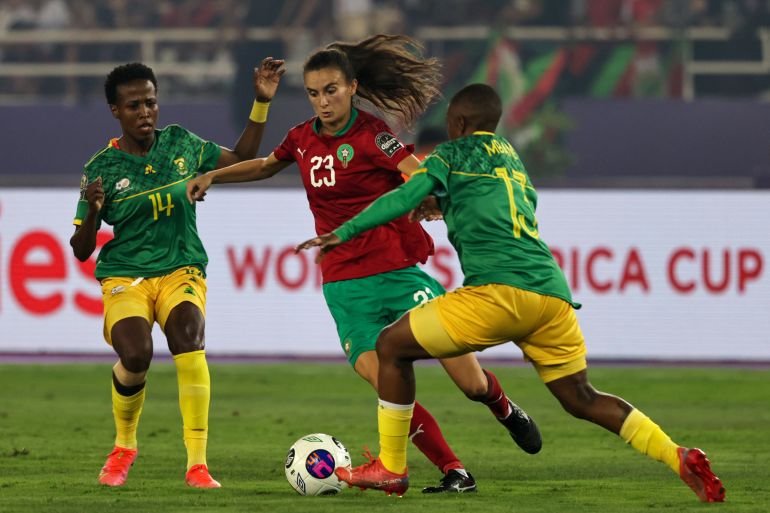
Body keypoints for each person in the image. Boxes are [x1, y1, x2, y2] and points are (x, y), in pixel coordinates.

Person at [296, 83, 726, 502]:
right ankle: (678, 455)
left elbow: (403, 196)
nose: (447, 130)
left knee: (391, 346)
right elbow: (481, 204)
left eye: (449, 122)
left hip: (498, 293)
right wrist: (444, 205)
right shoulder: (511, 158)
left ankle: (391, 468)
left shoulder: (451, 153)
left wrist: (345, 232)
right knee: (582, 398)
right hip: (552, 298)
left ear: (460, 121)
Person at [186, 35, 542, 493]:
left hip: (397, 273)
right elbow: (264, 165)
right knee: (389, 388)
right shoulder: (300, 138)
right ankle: (455, 470)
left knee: (470, 382)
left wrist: (430, 196)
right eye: (314, 93)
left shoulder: (372, 134)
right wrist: (214, 174)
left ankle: (504, 408)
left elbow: (414, 170)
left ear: (352, 86)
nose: (322, 101)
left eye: (331, 90)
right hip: (344, 286)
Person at [70, 59, 285, 488]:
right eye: (134, 105)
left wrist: (261, 103)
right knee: (135, 356)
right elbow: (80, 250)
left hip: (180, 268)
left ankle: (198, 465)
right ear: (116, 110)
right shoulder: (101, 170)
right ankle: (125, 445)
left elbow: (243, 157)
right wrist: (93, 215)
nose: (145, 112)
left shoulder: (181, 144)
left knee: (188, 338)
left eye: (150, 102)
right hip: (125, 276)